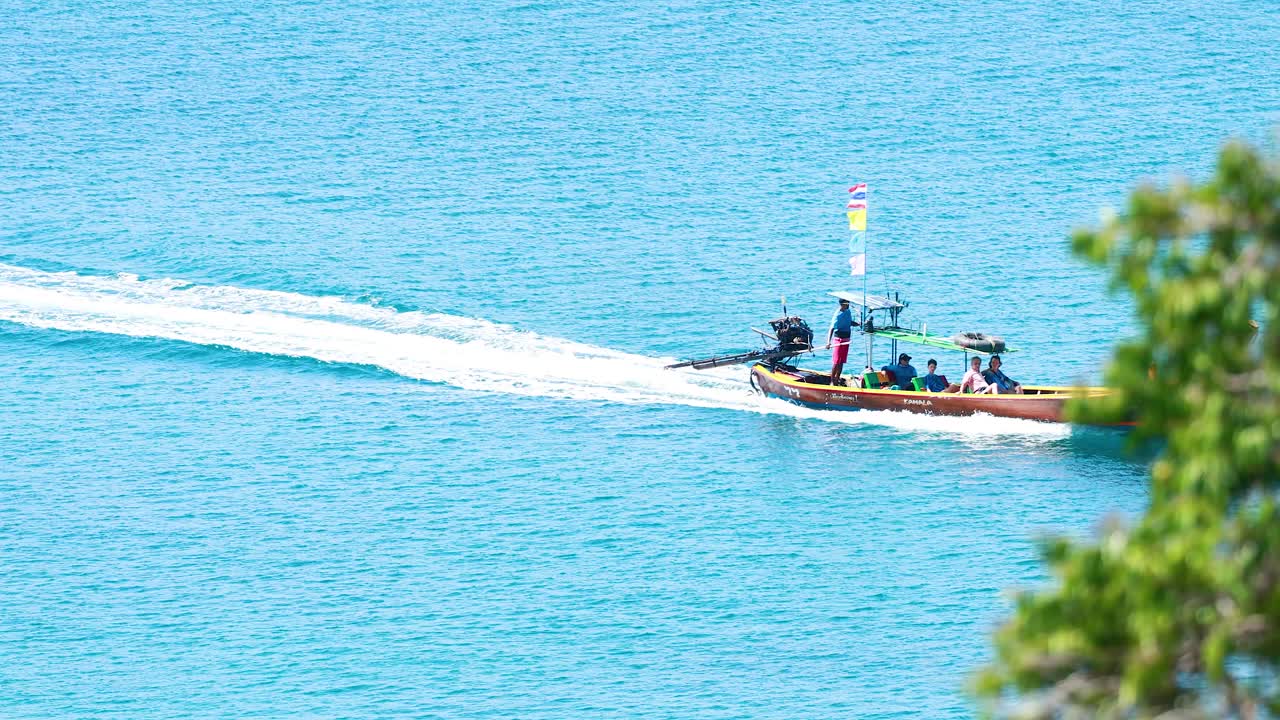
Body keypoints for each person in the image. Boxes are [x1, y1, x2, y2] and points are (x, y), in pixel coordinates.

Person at [826, 298, 854, 385]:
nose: (848, 305)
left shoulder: (848, 311)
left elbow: (849, 322)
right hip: (839, 339)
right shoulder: (837, 315)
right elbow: (831, 328)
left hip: (847, 339)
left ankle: (837, 379)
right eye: (847, 303)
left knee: (842, 361)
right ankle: (832, 381)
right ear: (842, 304)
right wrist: (828, 342)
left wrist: (859, 324)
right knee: (836, 361)